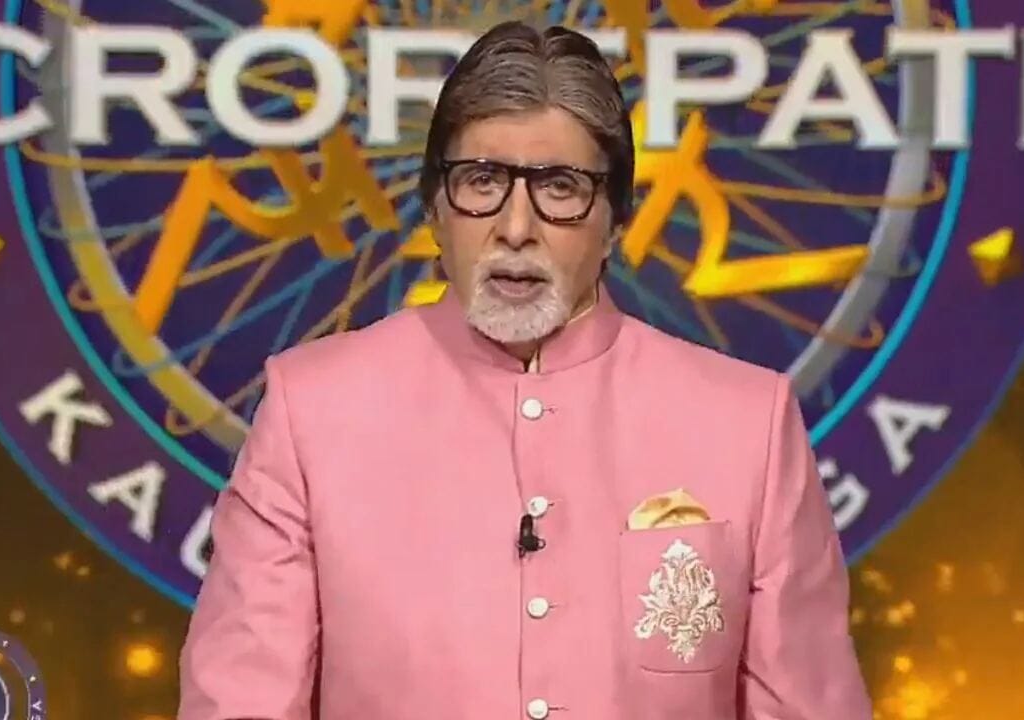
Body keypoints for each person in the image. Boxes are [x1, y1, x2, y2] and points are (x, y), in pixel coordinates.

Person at [178, 20, 872, 720]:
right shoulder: (314, 410)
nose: (515, 228)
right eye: (481, 182)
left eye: (560, 188)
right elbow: (241, 704)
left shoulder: (746, 424)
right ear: (434, 210)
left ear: (615, 220)